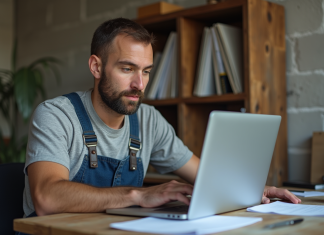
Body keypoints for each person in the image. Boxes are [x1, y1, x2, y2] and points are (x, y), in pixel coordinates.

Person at [22, 18, 300, 220]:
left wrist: (254, 190)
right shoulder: (56, 115)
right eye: (127, 68)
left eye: (146, 71)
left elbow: (206, 177)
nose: (139, 84)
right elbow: (47, 197)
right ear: (96, 67)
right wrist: (138, 195)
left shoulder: (148, 120)